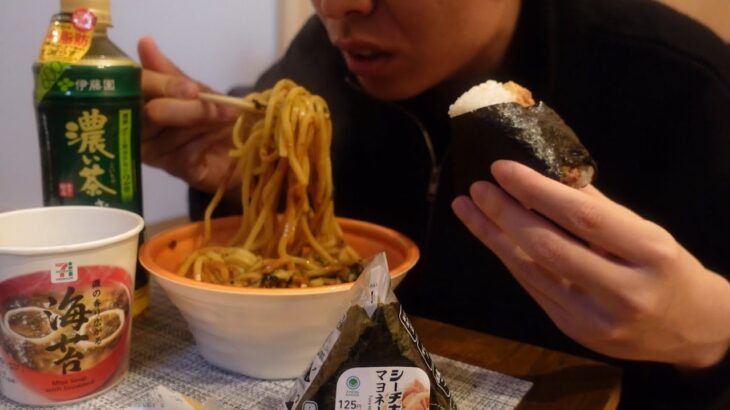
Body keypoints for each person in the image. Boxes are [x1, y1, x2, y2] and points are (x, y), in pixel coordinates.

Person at [138, 0, 730, 408]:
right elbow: (273, 263)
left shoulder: (683, 82)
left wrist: (709, 334)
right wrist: (241, 183)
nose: (339, 7)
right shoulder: (321, 61)